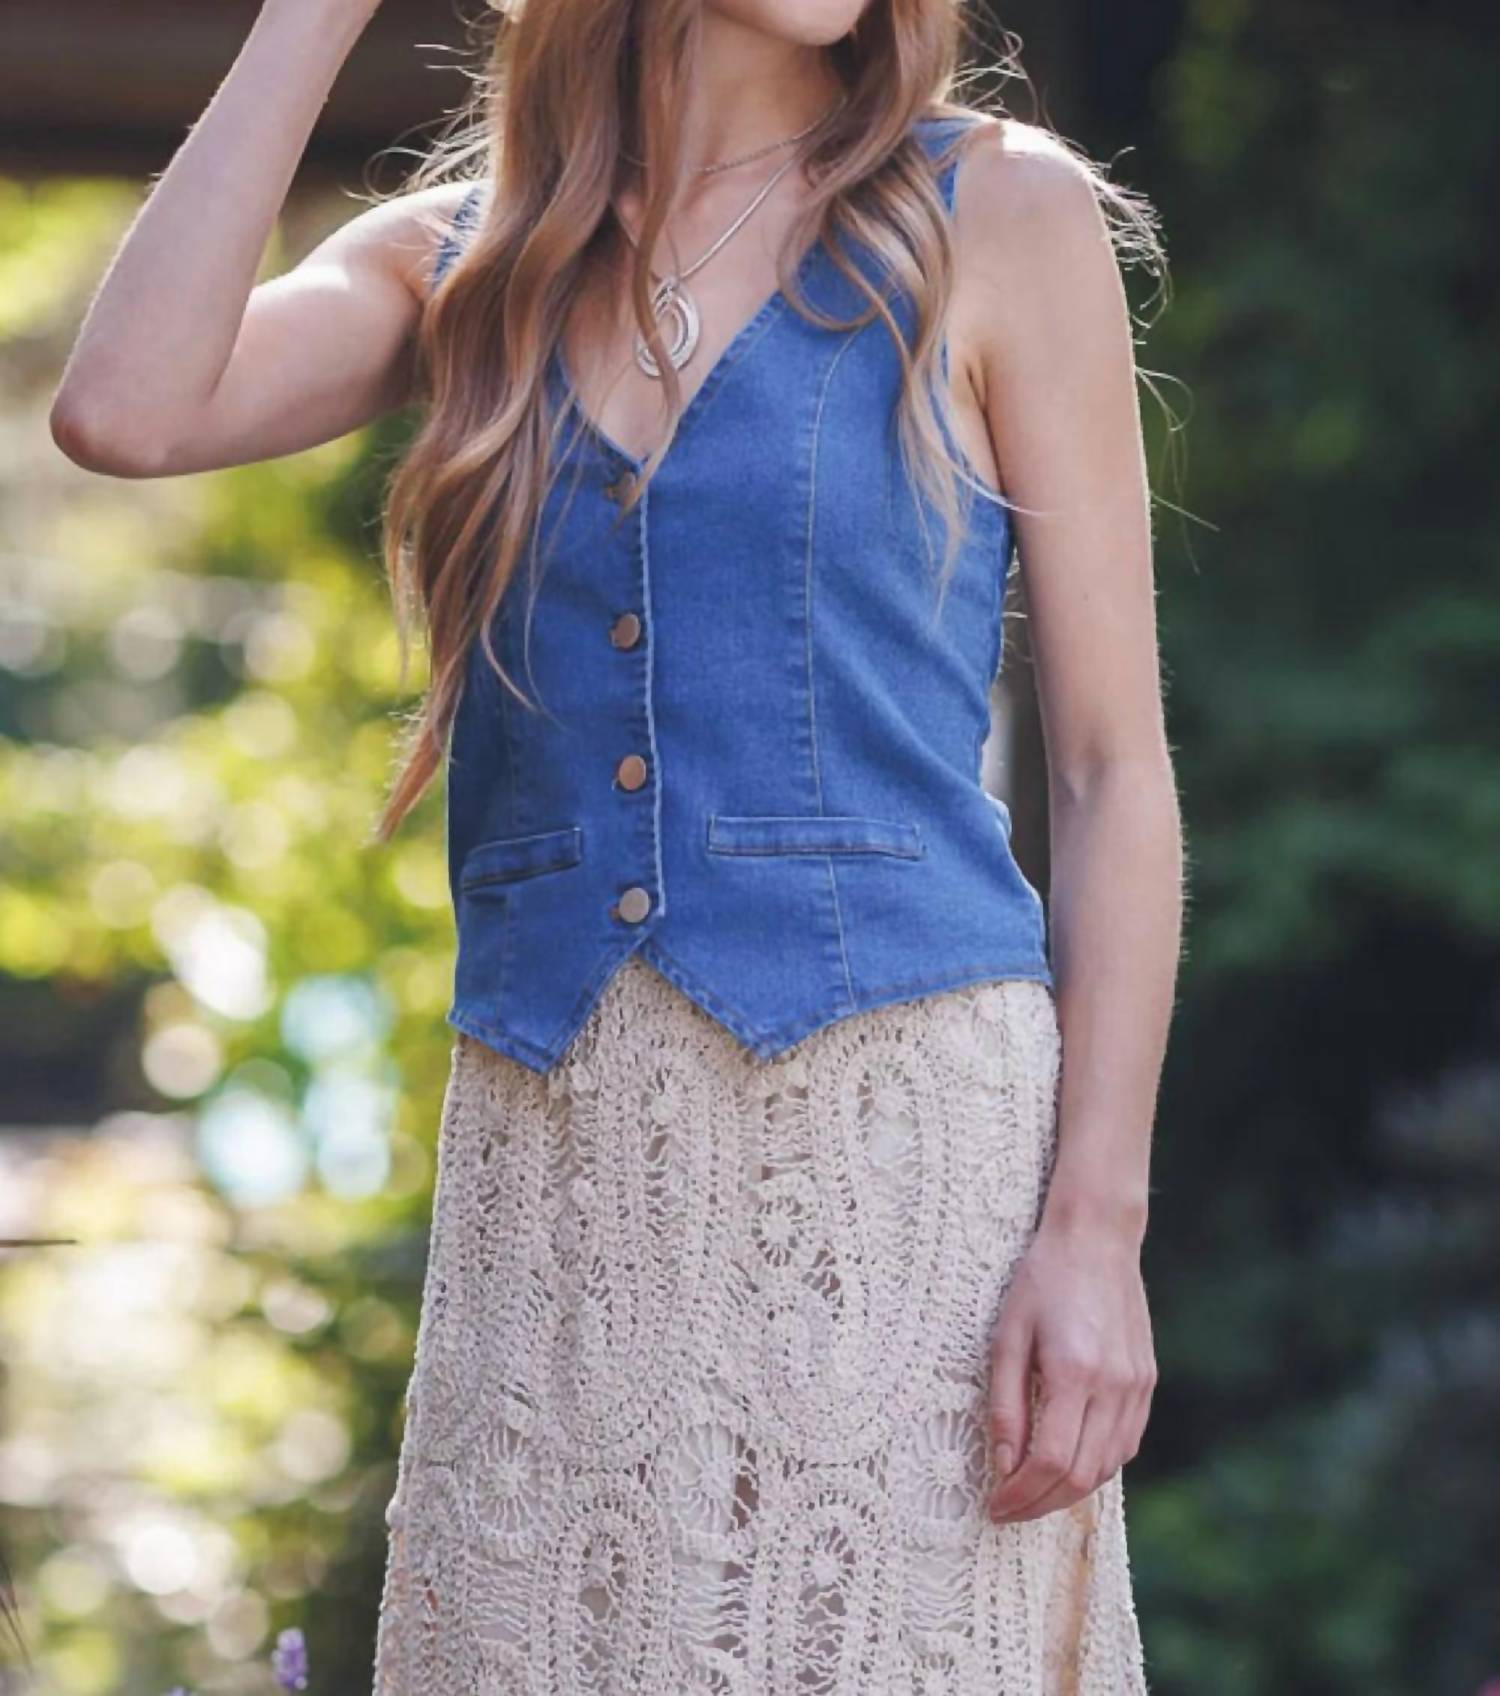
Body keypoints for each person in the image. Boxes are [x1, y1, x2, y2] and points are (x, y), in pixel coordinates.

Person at [50, 0, 1182, 1689]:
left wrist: (1096, 1232)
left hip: (898, 1171)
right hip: (562, 1180)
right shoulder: (463, 265)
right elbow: (126, 411)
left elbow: (1109, 771)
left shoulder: (1001, 212)